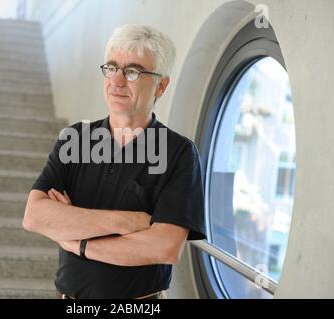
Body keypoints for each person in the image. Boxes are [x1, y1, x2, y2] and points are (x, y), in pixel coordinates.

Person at [23, 24, 206, 299]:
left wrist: (79, 243)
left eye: (132, 71)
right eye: (111, 68)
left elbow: (164, 247)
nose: (117, 81)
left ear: (161, 85)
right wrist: (124, 222)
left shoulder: (179, 153)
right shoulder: (75, 139)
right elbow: (34, 216)